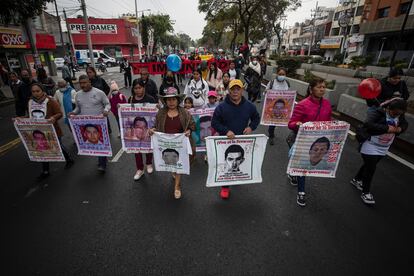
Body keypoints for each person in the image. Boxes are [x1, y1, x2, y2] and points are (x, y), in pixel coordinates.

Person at [351, 98, 408, 205]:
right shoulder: (378, 111)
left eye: (398, 114)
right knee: (371, 169)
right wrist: (387, 128)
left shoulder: (399, 114)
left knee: (368, 165)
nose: (395, 116)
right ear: (389, 108)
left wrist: (400, 129)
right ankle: (366, 192)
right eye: (393, 113)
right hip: (370, 144)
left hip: (384, 146)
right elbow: (368, 124)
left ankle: (356, 179)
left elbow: (405, 124)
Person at [211, 79, 260, 199]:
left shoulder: (249, 106)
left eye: (238, 89)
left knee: (239, 162)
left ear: (242, 90)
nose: (235, 92)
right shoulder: (221, 107)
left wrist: (251, 127)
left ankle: (238, 178)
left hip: (242, 141)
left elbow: (256, 118)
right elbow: (214, 122)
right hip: (226, 141)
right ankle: (225, 186)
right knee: (226, 163)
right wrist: (225, 131)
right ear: (229, 91)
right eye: (233, 89)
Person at [287, 77, 332, 207]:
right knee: (303, 166)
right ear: (311, 89)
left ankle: (292, 172)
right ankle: (301, 192)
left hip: (319, 142)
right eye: (319, 87)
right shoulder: (302, 105)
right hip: (303, 140)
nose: (322, 89)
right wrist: (298, 124)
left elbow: (328, 121)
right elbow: (291, 123)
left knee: (305, 165)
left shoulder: (327, 104)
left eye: (324, 87)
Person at [149, 87, 195, 199]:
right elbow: (155, 125)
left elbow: (192, 125)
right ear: (165, 101)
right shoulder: (161, 113)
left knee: (180, 164)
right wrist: (152, 130)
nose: (171, 102)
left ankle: (177, 187)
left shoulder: (184, 112)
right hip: (166, 145)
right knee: (171, 163)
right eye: (168, 100)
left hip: (180, 144)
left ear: (178, 100)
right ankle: (173, 171)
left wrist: (189, 131)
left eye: (173, 99)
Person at [27, 83, 74, 180]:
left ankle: (69, 159)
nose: (35, 93)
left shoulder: (50, 101)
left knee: (58, 146)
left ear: (42, 91)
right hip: (38, 131)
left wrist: (53, 117)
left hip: (52, 131)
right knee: (42, 150)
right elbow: (30, 116)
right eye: (33, 91)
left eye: (37, 91)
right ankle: (45, 171)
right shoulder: (31, 102)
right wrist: (20, 119)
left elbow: (59, 113)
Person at [69, 75, 111, 173]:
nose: (83, 85)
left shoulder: (99, 93)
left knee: (101, 144)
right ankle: (103, 158)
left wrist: (105, 110)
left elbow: (107, 104)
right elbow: (78, 108)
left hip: (99, 124)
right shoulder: (78, 95)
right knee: (93, 144)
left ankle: (102, 164)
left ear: (90, 82)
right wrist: (73, 113)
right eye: (81, 83)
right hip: (86, 125)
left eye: (85, 82)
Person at [128, 78, 157, 180]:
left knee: (148, 146)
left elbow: (155, 114)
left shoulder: (150, 99)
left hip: (148, 128)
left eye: (139, 88)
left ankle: (149, 163)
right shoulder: (131, 99)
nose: (137, 90)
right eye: (135, 88)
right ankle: (140, 169)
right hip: (136, 128)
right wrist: (120, 107)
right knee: (137, 149)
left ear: (144, 88)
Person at [265, 67, 290, 145]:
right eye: (280, 74)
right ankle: (271, 136)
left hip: (282, 107)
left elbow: (289, 95)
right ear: (277, 74)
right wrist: (266, 92)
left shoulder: (287, 83)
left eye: (283, 74)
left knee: (278, 121)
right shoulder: (272, 82)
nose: (281, 75)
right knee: (272, 123)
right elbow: (266, 91)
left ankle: (272, 132)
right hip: (273, 106)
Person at [86, 66, 112, 134]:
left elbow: (107, 89)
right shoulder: (87, 82)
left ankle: (107, 130)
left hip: (102, 103)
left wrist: (104, 97)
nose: (89, 74)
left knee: (104, 115)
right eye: (87, 73)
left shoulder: (100, 80)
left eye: (90, 72)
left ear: (94, 72)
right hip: (92, 104)